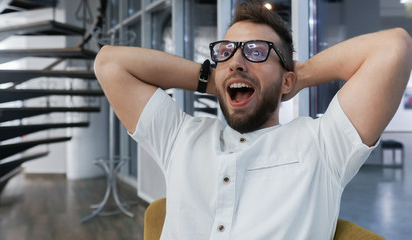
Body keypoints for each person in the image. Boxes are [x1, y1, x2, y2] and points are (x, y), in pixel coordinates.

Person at [95, 1, 412, 239]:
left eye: (257, 51)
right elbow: (110, 63)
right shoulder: (181, 137)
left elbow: (393, 47)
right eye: (227, 52)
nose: (237, 62)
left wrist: (296, 78)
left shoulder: (323, 145)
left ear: (286, 81)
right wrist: (214, 78)